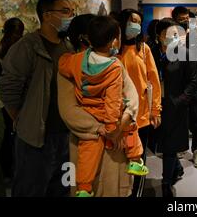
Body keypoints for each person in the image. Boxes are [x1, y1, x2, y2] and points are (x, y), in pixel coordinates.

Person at [59, 16, 147, 197]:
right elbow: (70, 112)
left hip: (115, 139)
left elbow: (131, 95)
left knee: (115, 187)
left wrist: (125, 119)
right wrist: (108, 128)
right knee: (90, 174)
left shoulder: (80, 63)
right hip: (94, 135)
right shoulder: (107, 65)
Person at [0, 0, 74, 196]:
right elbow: (8, 89)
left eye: (72, 12)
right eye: (66, 11)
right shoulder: (26, 47)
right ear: (47, 15)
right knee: (31, 189)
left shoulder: (68, 46)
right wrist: (24, 119)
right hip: (35, 138)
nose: (71, 16)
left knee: (60, 189)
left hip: (65, 136)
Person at [152, 18, 197, 197]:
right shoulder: (152, 53)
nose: (172, 37)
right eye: (168, 34)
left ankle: (166, 183)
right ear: (159, 36)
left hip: (175, 106)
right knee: (160, 142)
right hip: (155, 104)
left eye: (175, 33)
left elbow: (194, 81)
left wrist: (180, 101)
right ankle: (177, 168)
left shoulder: (185, 53)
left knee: (170, 145)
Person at [118, 9, 162, 197]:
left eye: (137, 21)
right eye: (130, 21)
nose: (134, 25)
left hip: (141, 115)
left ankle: (136, 193)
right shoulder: (112, 48)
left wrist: (156, 110)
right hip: (117, 115)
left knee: (137, 162)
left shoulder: (144, 49)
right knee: (119, 162)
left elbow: (153, 80)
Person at [172, 6, 197, 167]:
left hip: (196, 84)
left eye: (187, 19)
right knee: (180, 117)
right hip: (179, 86)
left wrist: (196, 84)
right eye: (181, 20)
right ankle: (181, 146)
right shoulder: (172, 39)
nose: (185, 22)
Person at [0, 17, 25, 186]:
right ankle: (10, 171)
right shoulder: (15, 50)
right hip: (7, 102)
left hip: (4, 101)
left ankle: (9, 171)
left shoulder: (1, 48)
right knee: (9, 138)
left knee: (7, 138)